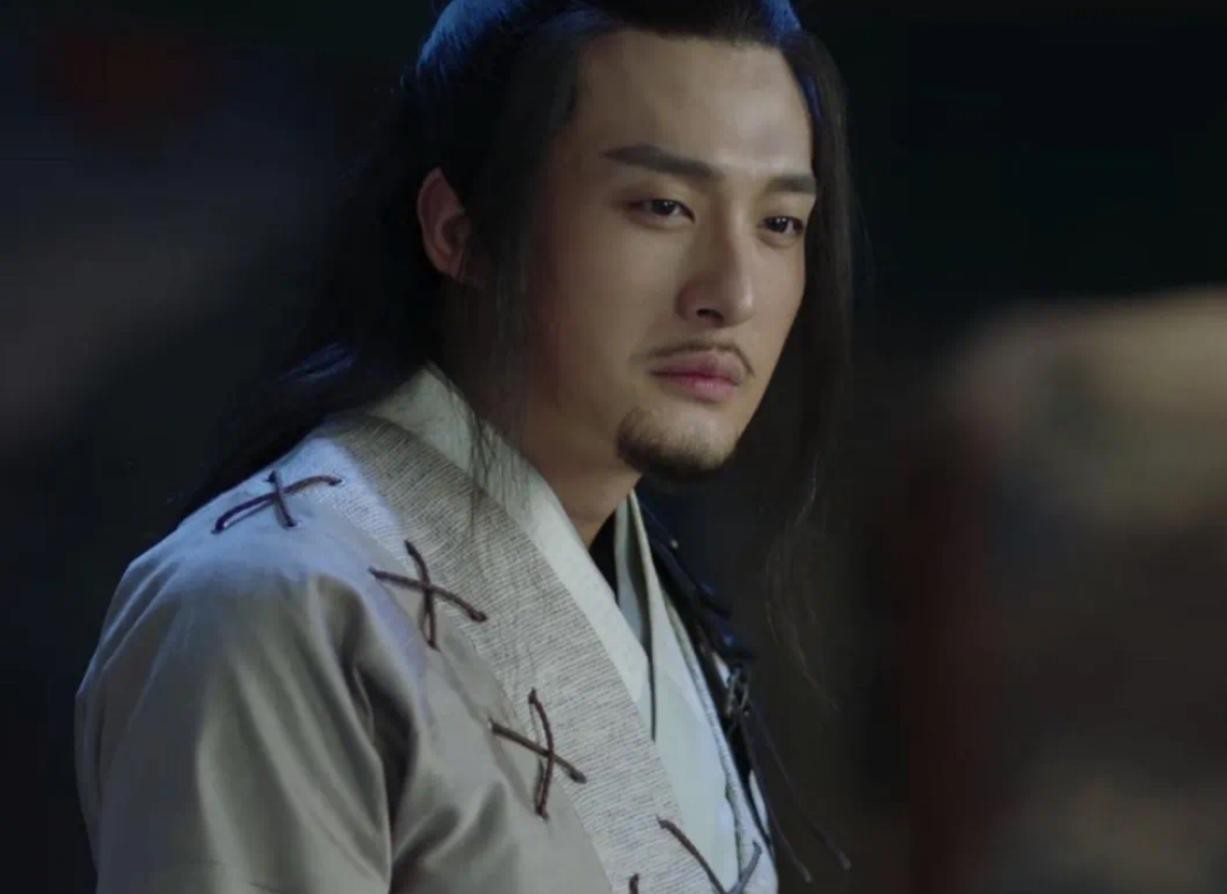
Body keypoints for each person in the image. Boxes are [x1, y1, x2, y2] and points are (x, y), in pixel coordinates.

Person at [74, 1, 855, 891]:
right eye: (662, 206)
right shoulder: (269, 604)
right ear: (462, 231)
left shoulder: (664, 620)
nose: (733, 294)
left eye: (779, 224)